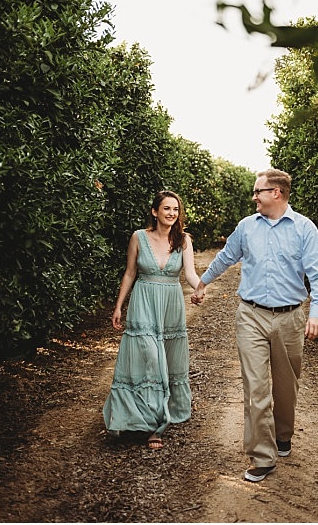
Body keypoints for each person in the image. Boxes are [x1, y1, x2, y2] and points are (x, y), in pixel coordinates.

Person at [191, 168, 318, 483]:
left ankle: (283, 435)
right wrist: (202, 282)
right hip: (250, 314)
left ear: (276, 193)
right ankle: (262, 456)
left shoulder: (304, 229)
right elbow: (227, 257)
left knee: (286, 386)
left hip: (290, 317)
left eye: (258, 191)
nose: (253, 197)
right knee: (256, 388)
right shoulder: (246, 227)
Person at [103, 190, 201, 450]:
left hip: (170, 304)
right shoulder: (138, 237)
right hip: (143, 303)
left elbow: (190, 273)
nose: (172, 213)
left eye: (176, 209)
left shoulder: (184, 241)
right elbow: (130, 273)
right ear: (154, 211)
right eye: (167, 208)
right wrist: (118, 306)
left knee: (166, 361)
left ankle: (157, 421)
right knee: (150, 358)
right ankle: (143, 420)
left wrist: (200, 288)